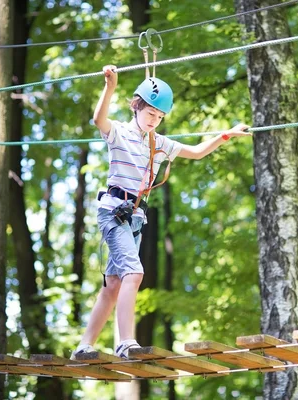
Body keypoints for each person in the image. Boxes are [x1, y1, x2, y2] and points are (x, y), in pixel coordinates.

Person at [71, 65, 250, 360]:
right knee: (134, 272)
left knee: (114, 284)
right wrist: (110, 87)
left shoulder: (159, 143)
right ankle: (125, 342)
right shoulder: (118, 132)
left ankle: (83, 346)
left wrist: (225, 135)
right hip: (114, 211)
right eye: (150, 113)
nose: (154, 120)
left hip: (135, 218)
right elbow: (98, 119)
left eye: (160, 116)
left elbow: (196, 151)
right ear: (136, 107)